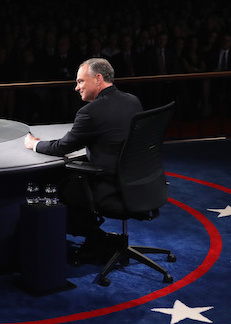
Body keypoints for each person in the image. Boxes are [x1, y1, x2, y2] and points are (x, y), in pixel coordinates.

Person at [24, 58, 143, 254]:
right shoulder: (133, 100)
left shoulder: (90, 112)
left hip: (109, 186)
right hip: (137, 183)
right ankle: (94, 234)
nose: (76, 88)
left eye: (80, 81)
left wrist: (34, 144)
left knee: (54, 179)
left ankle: (84, 235)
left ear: (98, 79)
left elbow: (62, 147)